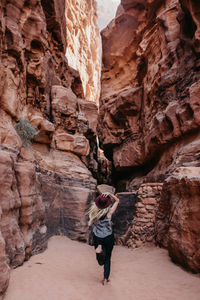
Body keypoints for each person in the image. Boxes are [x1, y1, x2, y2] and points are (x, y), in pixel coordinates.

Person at [88, 192, 120, 285]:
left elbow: (92, 225)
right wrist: (110, 194)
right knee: (108, 258)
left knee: (101, 261)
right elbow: (117, 200)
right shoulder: (109, 213)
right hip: (108, 237)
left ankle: (99, 253)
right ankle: (105, 278)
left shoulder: (93, 212)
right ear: (107, 204)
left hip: (98, 238)